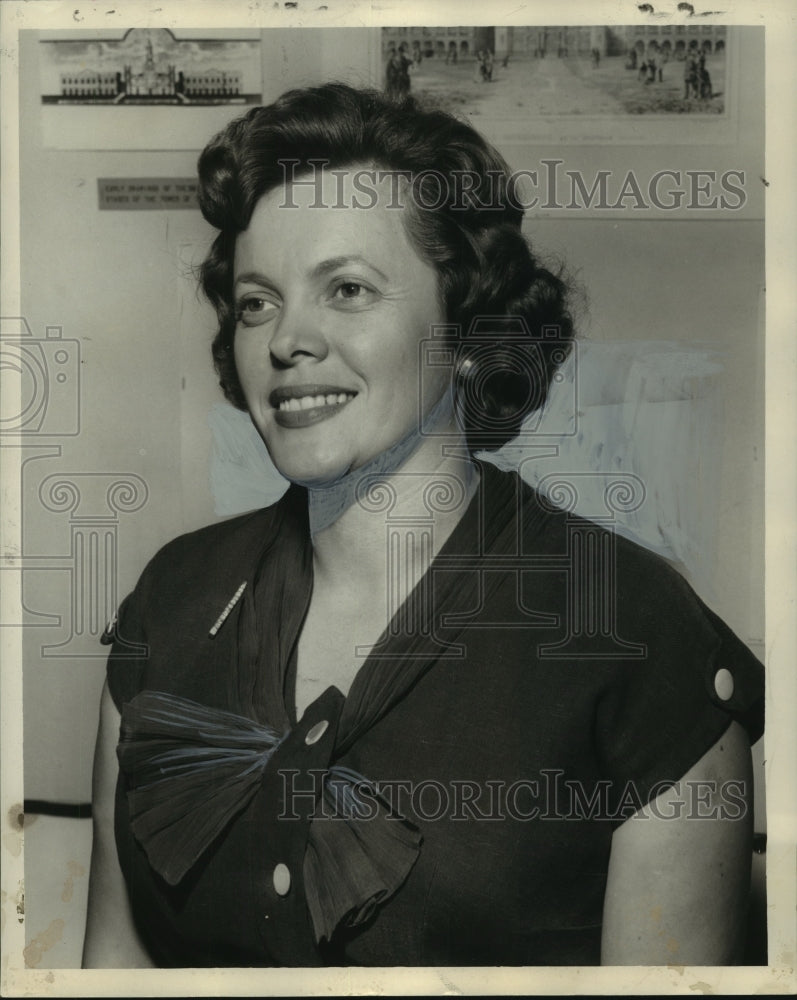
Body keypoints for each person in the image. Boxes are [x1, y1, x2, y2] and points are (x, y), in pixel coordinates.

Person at [83, 83, 764, 968]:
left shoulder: (636, 635)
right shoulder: (172, 599)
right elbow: (111, 965)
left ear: (466, 330)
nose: (287, 339)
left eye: (349, 290)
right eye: (257, 301)